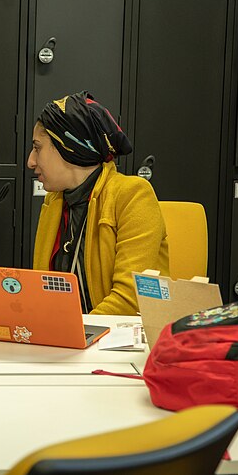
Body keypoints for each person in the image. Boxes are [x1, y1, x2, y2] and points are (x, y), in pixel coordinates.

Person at [28, 91, 169, 315]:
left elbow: (131, 299)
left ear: (67, 146)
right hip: (71, 339)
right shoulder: (54, 200)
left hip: (118, 341)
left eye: (37, 148)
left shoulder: (133, 195)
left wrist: (75, 333)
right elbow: (43, 288)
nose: (31, 161)